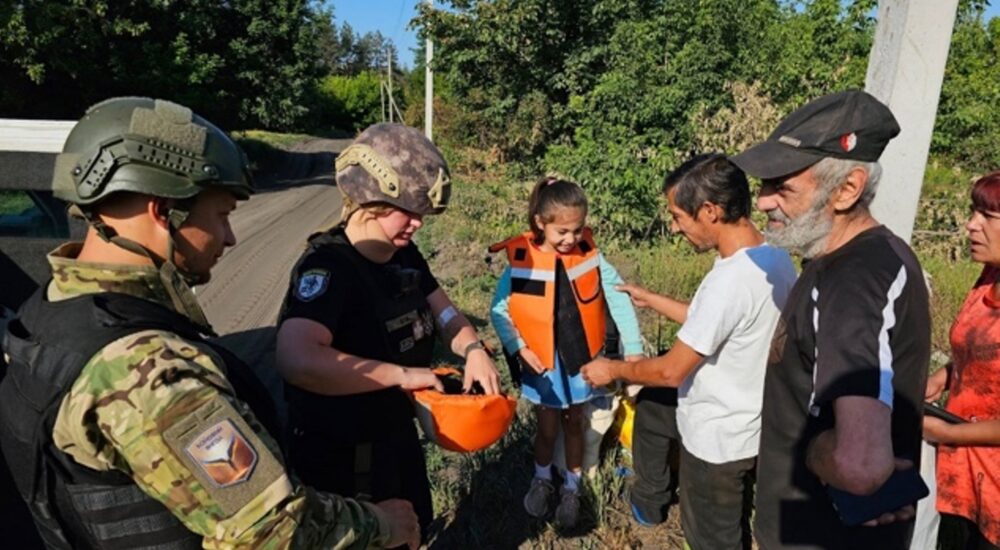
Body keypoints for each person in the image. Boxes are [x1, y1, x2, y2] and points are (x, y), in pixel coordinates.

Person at [0, 97, 418, 549]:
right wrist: (383, 524)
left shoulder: (48, 310)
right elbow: (273, 532)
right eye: (221, 215)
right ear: (163, 211)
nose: (230, 236)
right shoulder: (151, 372)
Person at [276, 123, 501, 542]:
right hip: (343, 461)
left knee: (414, 530)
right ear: (370, 198)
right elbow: (297, 359)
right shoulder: (328, 267)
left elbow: (445, 314)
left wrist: (472, 348)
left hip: (395, 439)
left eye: (422, 214)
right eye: (407, 211)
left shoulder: (405, 254)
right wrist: (402, 375)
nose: (417, 224)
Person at [729, 90, 930, 549]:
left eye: (782, 188)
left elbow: (860, 467)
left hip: (822, 534)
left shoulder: (853, 281)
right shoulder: (854, 257)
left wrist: (811, 448)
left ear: (847, 189)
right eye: (765, 185)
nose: (763, 202)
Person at [581, 154, 797, 549]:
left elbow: (671, 372)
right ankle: (649, 499)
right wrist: (652, 298)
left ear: (710, 211)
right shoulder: (772, 257)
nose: (675, 227)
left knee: (713, 538)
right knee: (654, 408)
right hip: (753, 408)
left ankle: (655, 502)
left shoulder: (729, 283)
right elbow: (714, 324)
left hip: (718, 437)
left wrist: (612, 369)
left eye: (678, 217)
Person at [489, 177, 643, 529]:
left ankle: (572, 488)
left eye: (577, 230)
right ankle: (542, 479)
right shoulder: (522, 261)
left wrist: (633, 349)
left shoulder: (590, 255)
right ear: (540, 223)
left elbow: (618, 298)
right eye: (562, 231)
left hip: (580, 360)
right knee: (546, 428)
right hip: (543, 364)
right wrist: (518, 347)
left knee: (576, 424)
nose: (570, 239)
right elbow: (499, 310)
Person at [922, 172, 1000, 550]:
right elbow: (980, 351)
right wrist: (942, 377)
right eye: (973, 212)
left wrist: (948, 433)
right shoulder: (990, 276)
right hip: (962, 480)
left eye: (988, 216)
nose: (971, 224)